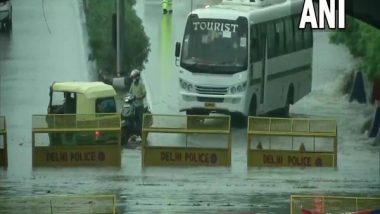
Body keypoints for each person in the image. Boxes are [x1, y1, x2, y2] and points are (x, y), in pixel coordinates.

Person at [129, 69, 146, 139]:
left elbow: (144, 94)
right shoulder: (132, 85)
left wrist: (138, 97)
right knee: (132, 119)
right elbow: (129, 92)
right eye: (132, 77)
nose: (133, 79)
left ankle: (141, 135)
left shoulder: (141, 85)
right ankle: (133, 134)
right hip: (133, 105)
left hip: (139, 106)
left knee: (140, 121)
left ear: (137, 77)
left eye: (134, 77)